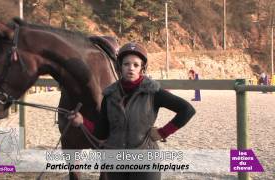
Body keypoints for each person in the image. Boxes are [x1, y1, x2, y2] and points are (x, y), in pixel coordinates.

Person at [68, 42, 196, 180]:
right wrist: (82, 122)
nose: (131, 68)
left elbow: (187, 110)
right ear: (120, 67)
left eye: (136, 65)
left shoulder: (153, 92)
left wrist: (162, 132)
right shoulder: (109, 96)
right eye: (126, 64)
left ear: (142, 68)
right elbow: (102, 131)